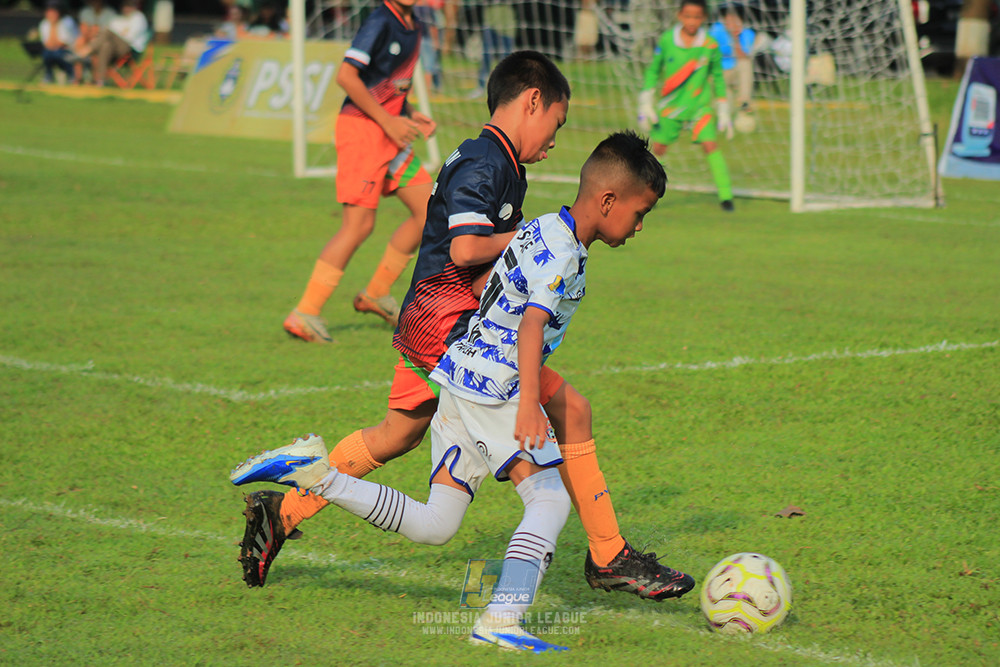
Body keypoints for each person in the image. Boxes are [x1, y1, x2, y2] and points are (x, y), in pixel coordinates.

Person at [238, 51, 695, 604]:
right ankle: (605, 555)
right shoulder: (489, 163)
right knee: (566, 418)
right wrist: (539, 236)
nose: (555, 138)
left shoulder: (500, 162)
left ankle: (283, 510)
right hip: (451, 327)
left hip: (435, 318)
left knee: (397, 434)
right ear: (532, 102)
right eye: (557, 122)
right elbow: (465, 247)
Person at [284, 0, 436, 343]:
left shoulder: (414, 24)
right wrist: (389, 121)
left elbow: (386, 83)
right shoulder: (380, 20)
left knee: (430, 211)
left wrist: (408, 114)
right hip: (364, 131)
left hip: (390, 131)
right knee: (359, 225)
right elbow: (347, 76)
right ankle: (304, 312)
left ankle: (376, 293)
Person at [637, 0, 735, 211]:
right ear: (680, 16)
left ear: (704, 18)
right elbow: (654, 70)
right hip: (671, 106)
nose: (692, 21)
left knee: (710, 145)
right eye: (688, 16)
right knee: (657, 151)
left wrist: (724, 108)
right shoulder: (666, 40)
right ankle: (643, 196)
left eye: (697, 17)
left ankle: (726, 197)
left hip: (700, 107)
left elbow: (718, 77)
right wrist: (646, 100)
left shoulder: (709, 45)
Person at [81, 0, 149, 87]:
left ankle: (86, 51)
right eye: (125, 5)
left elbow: (129, 38)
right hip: (116, 50)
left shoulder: (138, 18)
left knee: (107, 32)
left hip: (131, 51)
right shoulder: (118, 19)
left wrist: (116, 35)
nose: (126, 8)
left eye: (129, 6)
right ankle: (100, 81)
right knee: (106, 46)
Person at [709, 4, 756, 112]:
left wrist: (735, 38)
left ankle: (744, 102)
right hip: (719, 72)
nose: (732, 21)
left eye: (735, 18)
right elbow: (709, 52)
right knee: (725, 109)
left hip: (736, 72)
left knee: (745, 63)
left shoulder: (747, 33)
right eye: (728, 17)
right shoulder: (716, 30)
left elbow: (743, 56)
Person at [73, 0, 117, 84]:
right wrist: (92, 32)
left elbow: (107, 33)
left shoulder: (110, 13)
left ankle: (96, 79)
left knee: (99, 46)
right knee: (80, 41)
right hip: (88, 40)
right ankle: (78, 78)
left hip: (102, 43)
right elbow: (83, 29)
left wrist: (94, 32)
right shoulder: (85, 12)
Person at [38, 1, 78, 85]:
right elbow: (47, 44)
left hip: (69, 51)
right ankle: (49, 75)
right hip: (53, 51)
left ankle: (71, 74)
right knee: (47, 53)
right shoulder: (44, 24)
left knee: (57, 53)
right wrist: (52, 25)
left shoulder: (67, 22)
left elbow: (62, 43)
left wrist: (54, 25)